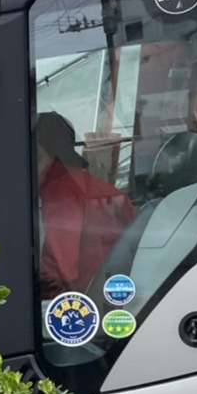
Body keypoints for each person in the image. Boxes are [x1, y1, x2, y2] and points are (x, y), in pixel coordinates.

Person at [35, 111, 136, 298]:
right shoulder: (106, 190)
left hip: (80, 303)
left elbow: (64, 271)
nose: (31, 167)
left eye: (36, 157)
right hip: (115, 294)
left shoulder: (59, 192)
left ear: (55, 155)